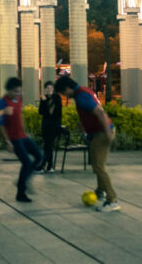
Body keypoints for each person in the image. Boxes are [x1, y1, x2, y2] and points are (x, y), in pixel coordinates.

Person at [54, 75, 120, 212]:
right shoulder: (84, 91)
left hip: (101, 133)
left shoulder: (81, 96)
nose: (64, 96)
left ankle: (112, 200)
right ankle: (101, 191)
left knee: (99, 167)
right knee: (97, 165)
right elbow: (92, 112)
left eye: (63, 93)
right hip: (99, 132)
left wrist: (108, 134)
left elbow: (100, 113)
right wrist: (83, 124)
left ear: (67, 88)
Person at [0, 77, 44, 203]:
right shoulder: (3, 102)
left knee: (39, 156)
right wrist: (7, 141)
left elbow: (20, 114)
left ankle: (23, 180)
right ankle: (20, 192)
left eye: (19, 91)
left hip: (22, 136)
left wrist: (25, 130)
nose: (18, 94)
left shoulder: (19, 99)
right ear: (9, 90)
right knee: (27, 163)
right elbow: (1, 124)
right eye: (16, 92)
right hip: (14, 138)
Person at [38, 80, 63, 172]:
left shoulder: (57, 98)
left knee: (48, 144)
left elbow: (55, 112)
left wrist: (46, 102)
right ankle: (50, 166)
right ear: (45, 89)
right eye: (48, 88)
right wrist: (44, 101)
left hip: (54, 125)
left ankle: (43, 165)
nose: (49, 90)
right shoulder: (44, 98)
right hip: (45, 125)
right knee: (48, 145)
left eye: (51, 88)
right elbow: (41, 112)